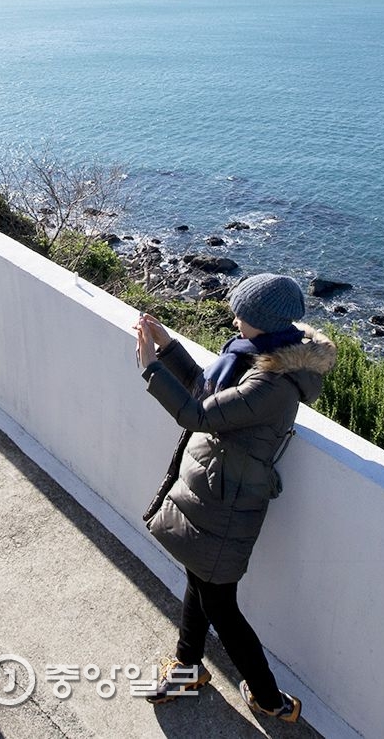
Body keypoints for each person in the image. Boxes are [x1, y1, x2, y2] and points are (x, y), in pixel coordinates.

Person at [134, 272, 335, 724]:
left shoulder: (272, 383)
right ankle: (187, 668)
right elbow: (205, 389)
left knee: (220, 605)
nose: (234, 317)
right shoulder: (253, 356)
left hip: (227, 507)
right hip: (214, 492)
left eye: (241, 312)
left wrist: (149, 366)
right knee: (200, 583)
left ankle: (269, 700)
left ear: (260, 322)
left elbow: (195, 414)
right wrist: (167, 348)